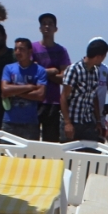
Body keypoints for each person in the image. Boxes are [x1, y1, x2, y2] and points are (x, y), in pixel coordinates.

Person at [60, 39, 108, 142]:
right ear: (98, 56)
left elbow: (94, 97)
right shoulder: (74, 69)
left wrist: (98, 121)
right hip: (72, 120)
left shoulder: (96, 71)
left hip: (87, 121)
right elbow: (64, 96)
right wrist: (67, 123)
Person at [32, 14, 71, 142]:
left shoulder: (61, 51)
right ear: (40, 28)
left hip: (53, 102)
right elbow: (30, 74)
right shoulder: (32, 48)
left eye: (50, 23)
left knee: (51, 141)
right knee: (32, 141)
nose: (47, 26)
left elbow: (64, 78)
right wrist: (50, 72)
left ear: (55, 28)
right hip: (34, 100)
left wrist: (40, 72)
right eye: (44, 23)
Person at [0, 38, 47, 140]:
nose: (17, 52)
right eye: (16, 49)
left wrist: (14, 92)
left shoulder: (39, 71)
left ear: (30, 51)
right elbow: (5, 89)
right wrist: (29, 87)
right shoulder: (8, 68)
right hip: (10, 122)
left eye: (21, 49)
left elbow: (40, 95)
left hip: (30, 123)